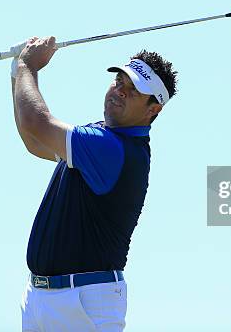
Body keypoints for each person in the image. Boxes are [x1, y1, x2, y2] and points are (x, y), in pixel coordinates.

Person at [11, 36, 178, 331]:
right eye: (118, 82)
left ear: (154, 109)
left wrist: (28, 66)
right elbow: (34, 141)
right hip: (43, 297)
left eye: (133, 91)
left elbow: (35, 122)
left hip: (84, 301)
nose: (119, 92)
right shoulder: (98, 139)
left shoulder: (112, 148)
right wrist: (18, 73)